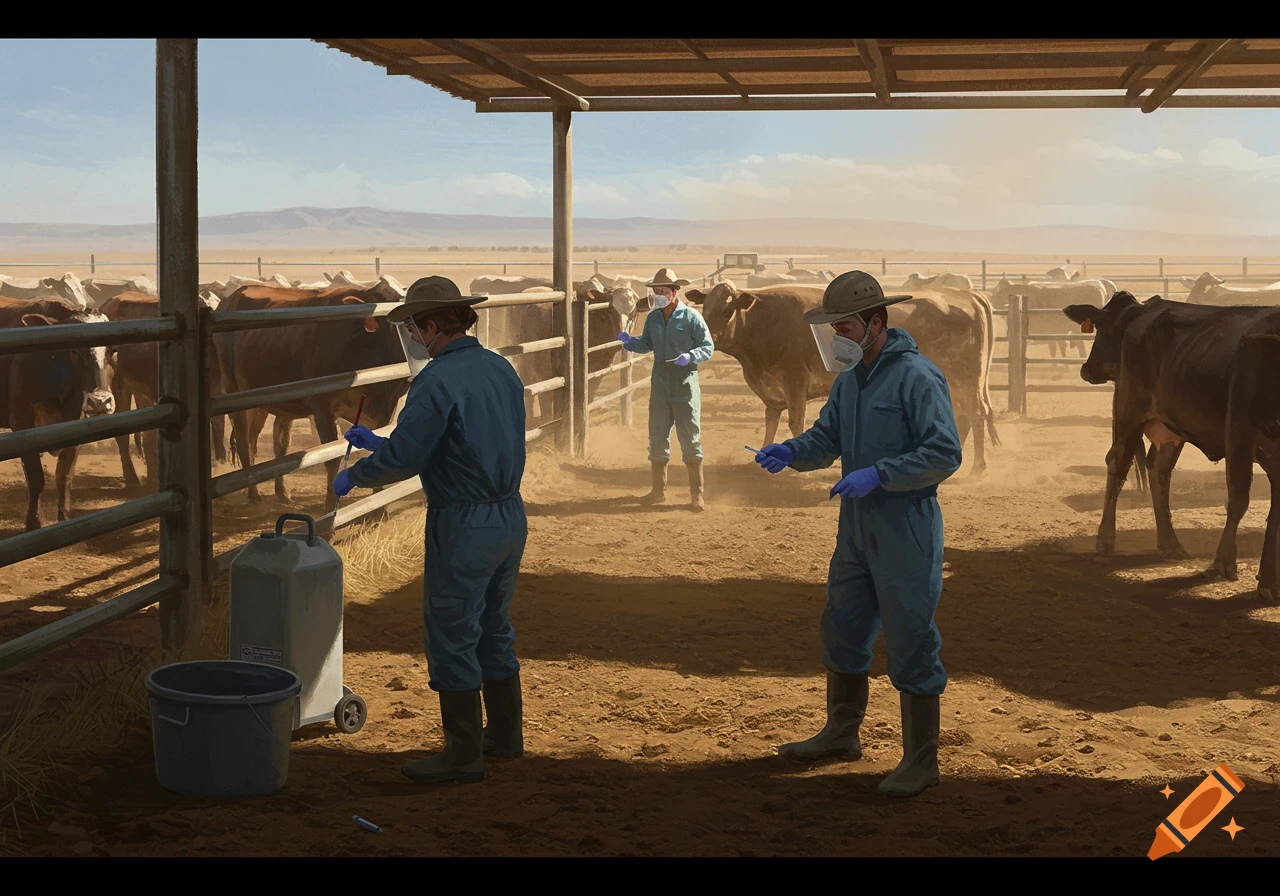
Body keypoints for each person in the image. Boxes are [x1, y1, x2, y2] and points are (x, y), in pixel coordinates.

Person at [753, 270, 962, 798]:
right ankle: (842, 734)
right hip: (856, 527)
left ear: (876, 321)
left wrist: (882, 473)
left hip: (905, 526)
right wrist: (793, 452)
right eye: (832, 329)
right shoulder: (850, 382)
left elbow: (944, 452)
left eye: (843, 326)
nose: (837, 338)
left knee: (910, 637)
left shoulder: (917, 377)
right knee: (843, 627)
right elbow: (827, 437)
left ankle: (921, 760)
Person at [333, 276, 528, 785]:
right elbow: (465, 440)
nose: (413, 338)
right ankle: (506, 736)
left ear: (433, 324)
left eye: (414, 328)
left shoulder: (436, 381)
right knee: (493, 625)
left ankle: (462, 754)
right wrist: (380, 441)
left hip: (463, 522)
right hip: (508, 513)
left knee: (452, 632)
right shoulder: (499, 368)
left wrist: (358, 472)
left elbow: (412, 454)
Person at [617, 268, 715, 511]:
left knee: (690, 438)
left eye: (662, 291)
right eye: (655, 291)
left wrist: (691, 356)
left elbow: (707, 346)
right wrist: (631, 342)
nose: (658, 295)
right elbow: (647, 343)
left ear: (674, 292)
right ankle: (658, 491)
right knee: (657, 436)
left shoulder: (691, 317)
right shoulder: (653, 318)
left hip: (685, 384)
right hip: (660, 384)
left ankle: (697, 494)